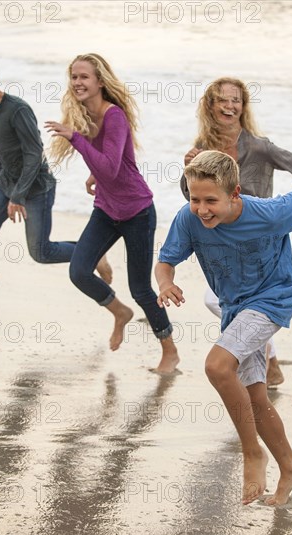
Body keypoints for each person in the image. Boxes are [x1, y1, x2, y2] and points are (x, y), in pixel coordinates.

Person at [156, 150, 292, 505]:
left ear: (235, 194)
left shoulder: (269, 213)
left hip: (273, 298)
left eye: (211, 200)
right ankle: (290, 466)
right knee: (255, 397)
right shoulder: (189, 218)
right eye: (195, 199)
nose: (202, 209)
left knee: (216, 366)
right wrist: (165, 283)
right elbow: (166, 260)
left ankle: (251, 453)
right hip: (235, 308)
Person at [44, 53, 179, 373]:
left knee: (141, 289)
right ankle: (119, 311)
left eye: (84, 77)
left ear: (100, 82)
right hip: (106, 209)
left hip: (136, 211)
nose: (77, 82)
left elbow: (111, 165)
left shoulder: (114, 115)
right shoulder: (85, 116)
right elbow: (107, 163)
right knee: (78, 272)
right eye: (73, 77)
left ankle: (170, 351)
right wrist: (94, 172)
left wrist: (76, 139)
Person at [180, 77, 292, 387]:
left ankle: (261, 361)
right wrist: (185, 168)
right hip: (222, 240)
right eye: (223, 100)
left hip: (260, 238)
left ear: (243, 106)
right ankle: (266, 363)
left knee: (223, 301)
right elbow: (193, 198)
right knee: (221, 300)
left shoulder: (256, 145)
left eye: (236, 100)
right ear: (210, 105)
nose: (230, 106)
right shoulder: (203, 149)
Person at [0, 61, 112, 317]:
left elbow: (34, 153)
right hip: (7, 183)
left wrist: (18, 196)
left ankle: (94, 254)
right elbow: (8, 146)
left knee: (41, 252)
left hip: (36, 188)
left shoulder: (17, 110)